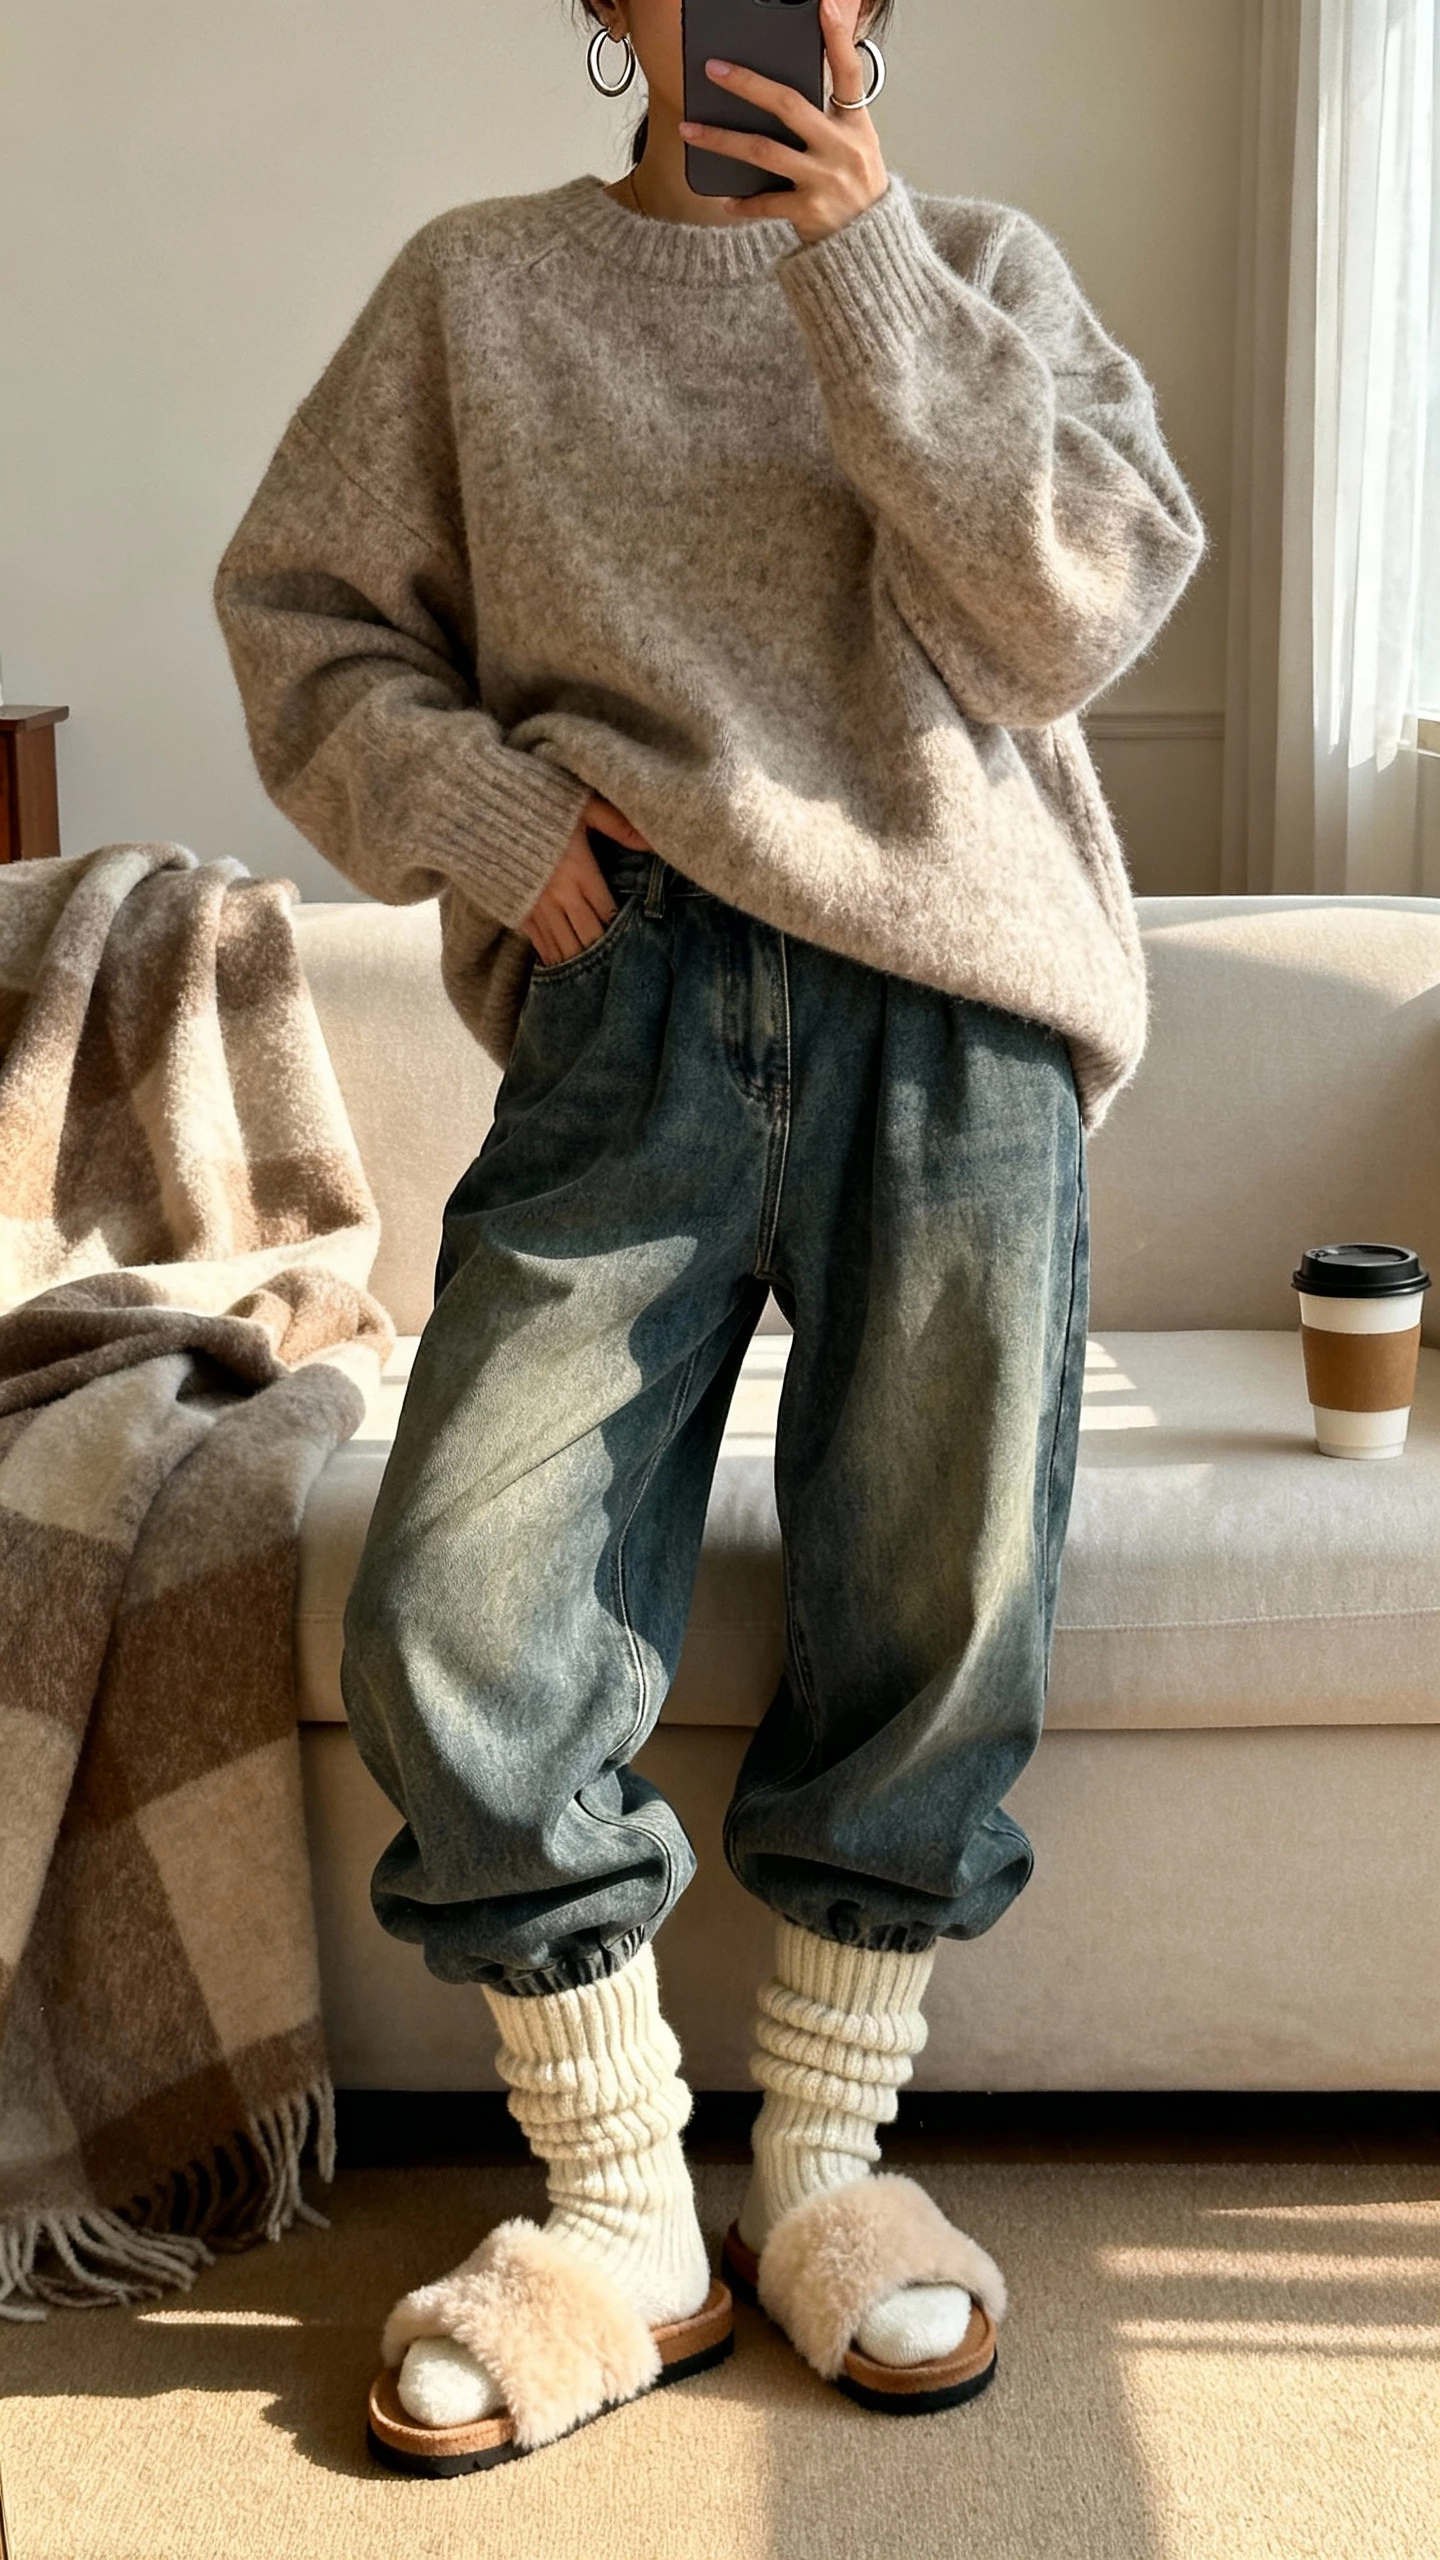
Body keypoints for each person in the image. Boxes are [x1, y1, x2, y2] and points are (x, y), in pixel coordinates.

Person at [214, 0, 1205, 2471]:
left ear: (871, 15)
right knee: (460, 1588)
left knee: (937, 1586)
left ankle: (836, 2172)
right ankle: (628, 2201)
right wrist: (469, 797)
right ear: (607, 7)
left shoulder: (976, 263)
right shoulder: (479, 293)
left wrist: (863, 269)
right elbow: (301, 613)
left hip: (955, 1014)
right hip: (623, 997)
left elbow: (1069, 611)